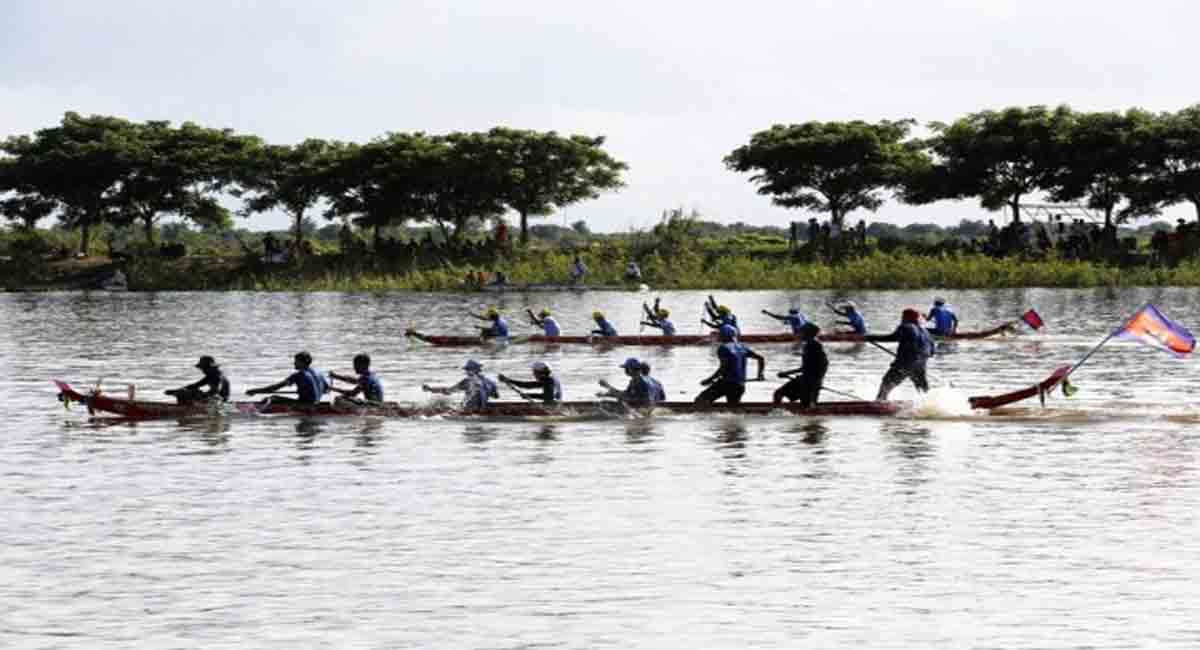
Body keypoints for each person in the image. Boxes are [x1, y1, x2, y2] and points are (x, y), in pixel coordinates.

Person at [865, 308, 935, 401]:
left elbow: (892, 338)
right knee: (922, 388)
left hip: (905, 363)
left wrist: (868, 337)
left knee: (887, 382)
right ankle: (930, 404)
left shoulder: (906, 326)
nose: (902, 319)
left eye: (903, 316)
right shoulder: (926, 331)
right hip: (921, 364)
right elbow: (932, 351)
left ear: (906, 317)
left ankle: (879, 403)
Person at [695, 325, 765, 404]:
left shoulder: (723, 348)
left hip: (727, 384)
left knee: (700, 400)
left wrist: (709, 380)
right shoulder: (742, 347)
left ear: (724, 336)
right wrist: (760, 374)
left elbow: (723, 368)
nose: (719, 337)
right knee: (733, 409)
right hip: (740, 385)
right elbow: (761, 358)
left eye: (720, 335)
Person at [773, 323, 828, 406]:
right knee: (807, 405)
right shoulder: (812, 344)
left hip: (808, 381)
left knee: (778, 393)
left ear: (807, 333)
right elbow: (819, 363)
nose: (798, 334)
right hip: (809, 380)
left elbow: (813, 366)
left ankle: (777, 412)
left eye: (801, 332)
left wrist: (786, 373)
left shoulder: (812, 345)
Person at [246, 351, 329, 405]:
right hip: (316, 404)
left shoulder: (299, 375)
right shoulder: (319, 373)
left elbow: (273, 388)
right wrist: (305, 391)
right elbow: (326, 390)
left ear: (302, 362)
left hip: (304, 405)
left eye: (296, 361)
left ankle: (254, 410)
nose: (294, 363)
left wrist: (254, 391)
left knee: (272, 398)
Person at [422, 359, 500, 412]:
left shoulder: (467, 381)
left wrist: (430, 389)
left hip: (468, 410)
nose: (466, 372)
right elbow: (496, 396)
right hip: (482, 408)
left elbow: (448, 391)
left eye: (467, 370)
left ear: (471, 371)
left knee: (439, 405)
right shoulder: (489, 382)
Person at [165, 355, 230, 404]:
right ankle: (185, 407)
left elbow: (216, 391)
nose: (203, 371)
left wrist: (202, 396)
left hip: (219, 401)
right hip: (213, 399)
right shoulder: (210, 376)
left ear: (210, 368)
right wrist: (175, 391)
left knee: (187, 393)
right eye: (202, 369)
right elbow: (194, 386)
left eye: (204, 368)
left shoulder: (218, 376)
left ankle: (185, 409)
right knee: (184, 392)